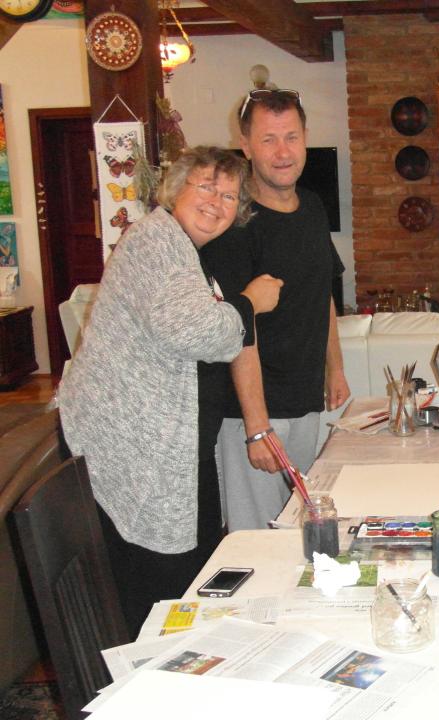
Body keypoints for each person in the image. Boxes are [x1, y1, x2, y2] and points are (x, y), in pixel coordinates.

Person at [58, 146, 283, 635]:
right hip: (136, 448)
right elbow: (197, 333)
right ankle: (154, 669)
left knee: (185, 576)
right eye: (206, 187)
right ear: (176, 189)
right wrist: (250, 303)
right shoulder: (156, 242)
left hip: (163, 447)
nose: (217, 202)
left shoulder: (179, 249)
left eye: (229, 196)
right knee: (158, 587)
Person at [202, 88, 349, 532]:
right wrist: (256, 427)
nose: (282, 152)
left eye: (291, 137)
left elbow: (321, 292)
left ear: (305, 138)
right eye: (268, 139)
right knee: (255, 537)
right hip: (252, 414)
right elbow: (235, 329)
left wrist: (335, 368)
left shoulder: (313, 207)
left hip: (304, 402)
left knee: (296, 529)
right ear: (245, 145)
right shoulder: (235, 225)